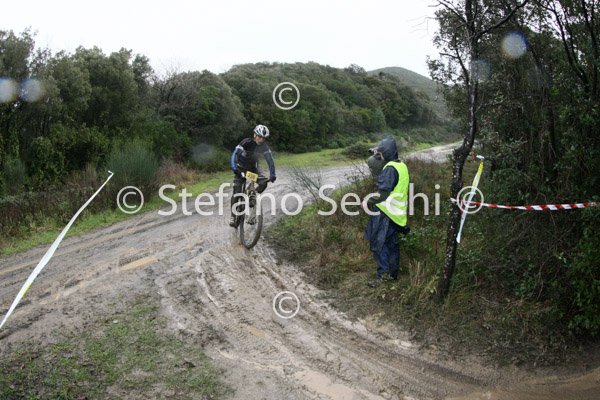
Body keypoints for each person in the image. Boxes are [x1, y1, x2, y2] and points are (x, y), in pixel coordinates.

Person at [364, 137, 410, 288]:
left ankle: (382, 277)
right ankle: (392, 275)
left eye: (381, 152)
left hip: (385, 213)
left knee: (380, 244)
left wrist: (368, 201)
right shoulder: (401, 165)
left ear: (385, 153)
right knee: (392, 245)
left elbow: (383, 194)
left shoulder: (389, 169)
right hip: (397, 214)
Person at [229, 124, 276, 227]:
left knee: (263, 182)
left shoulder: (264, 146)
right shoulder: (246, 142)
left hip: (252, 171)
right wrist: (234, 168)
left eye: (263, 138)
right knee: (236, 192)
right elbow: (234, 155)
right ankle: (233, 215)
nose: (261, 139)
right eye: (259, 136)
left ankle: (253, 195)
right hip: (240, 169)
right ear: (254, 135)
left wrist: (273, 174)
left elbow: (270, 161)